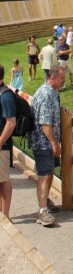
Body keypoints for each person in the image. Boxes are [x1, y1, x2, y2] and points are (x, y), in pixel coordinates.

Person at [27, 65, 66, 227]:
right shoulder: (46, 94)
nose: (64, 80)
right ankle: (42, 211)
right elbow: (45, 123)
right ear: (53, 77)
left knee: (49, 173)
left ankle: (45, 202)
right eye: (62, 78)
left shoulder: (53, 92)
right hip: (42, 143)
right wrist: (54, 144)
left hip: (46, 143)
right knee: (45, 174)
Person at [0, 65, 16, 218]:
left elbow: (11, 123)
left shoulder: (5, 96)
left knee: (3, 180)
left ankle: (5, 216)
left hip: (2, 147)